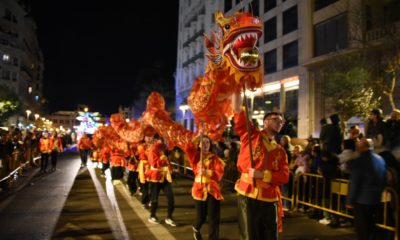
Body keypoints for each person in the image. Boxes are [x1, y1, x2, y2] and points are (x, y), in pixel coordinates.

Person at [231, 92, 289, 240]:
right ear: (266, 122)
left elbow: (284, 176)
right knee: (250, 236)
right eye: (276, 119)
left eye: (282, 122)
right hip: (248, 195)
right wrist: (236, 87)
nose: (279, 123)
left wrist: (263, 175)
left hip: (270, 199)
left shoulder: (281, 151)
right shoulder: (252, 136)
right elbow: (238, 112)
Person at [184, 133, 225, 240]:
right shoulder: (195, 157)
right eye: (203, 142)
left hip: (213, 190)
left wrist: (207, 172)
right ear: (199, 145)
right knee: (200, 218)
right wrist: (197, 137)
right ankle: (196, 227)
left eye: (207, 142)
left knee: (213, 219)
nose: (205, 144)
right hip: (199, 190)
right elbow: (187, 147)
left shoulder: (215, 158)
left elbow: (219, 174)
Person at [346, 138, 386, 240]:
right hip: (376, 197)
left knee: (363, 228)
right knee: (373, 226)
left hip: (362, 199)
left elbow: (354, 183)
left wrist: (350, 200)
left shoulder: (359, 162)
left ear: (361, 148)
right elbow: (384, 178)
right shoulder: (380, 160)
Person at [146, 136, 176, 227]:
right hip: (155, 176)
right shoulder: (152, 150)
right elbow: (154, 164)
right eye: (161, 139)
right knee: (154, 198)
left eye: (163, 139)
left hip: (165, 176)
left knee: (171, 197)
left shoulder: (163, 148)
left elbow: (167, 162)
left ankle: (169, 217)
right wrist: (162, 159)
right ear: (155, 140)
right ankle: (152, 215)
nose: (162, 141)